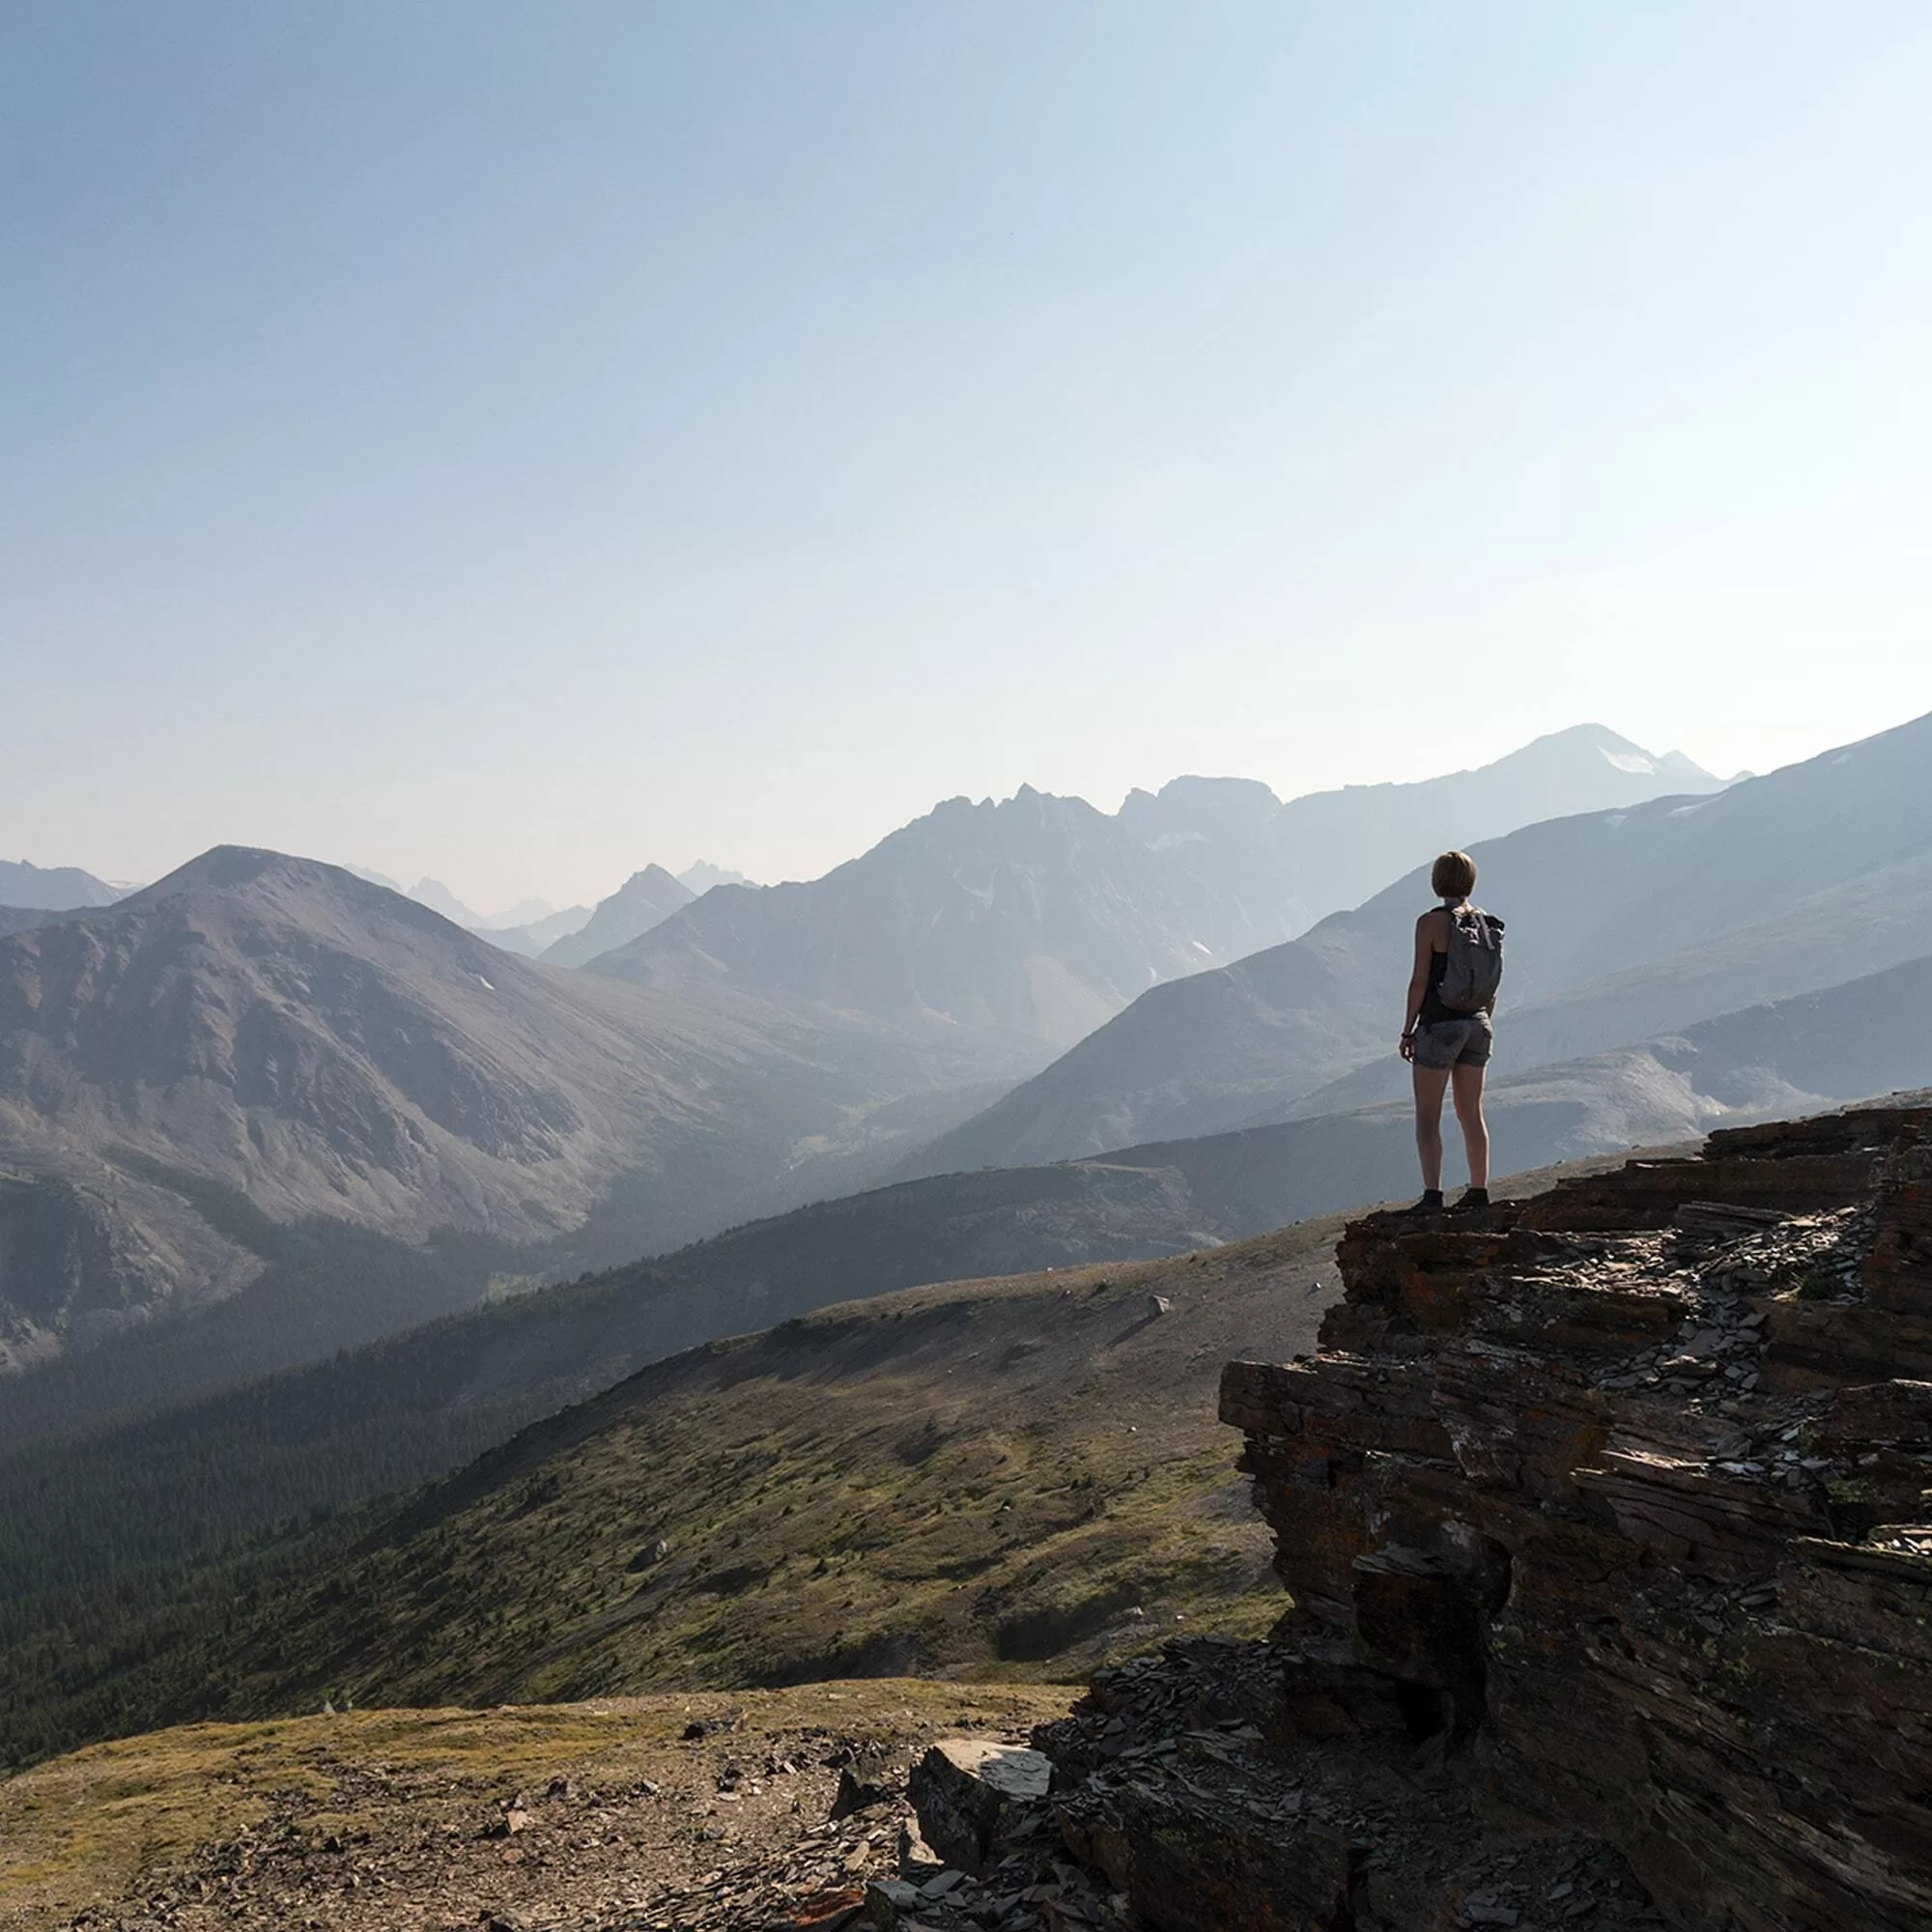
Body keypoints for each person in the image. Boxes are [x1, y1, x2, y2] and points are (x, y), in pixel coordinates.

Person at [1399, 850, 1500, 1212]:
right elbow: (1491, 983)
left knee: (1428, 1114)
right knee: (1471, 1112)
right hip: (1478, 1023)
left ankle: (1432, 1195)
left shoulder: (1431, 923)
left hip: (1439, 1024)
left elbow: (1419, 980)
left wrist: (1408, 1029)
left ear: (1437, 882)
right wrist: (1482, 1021)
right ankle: (1479, 1191)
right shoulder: (1488, 924)